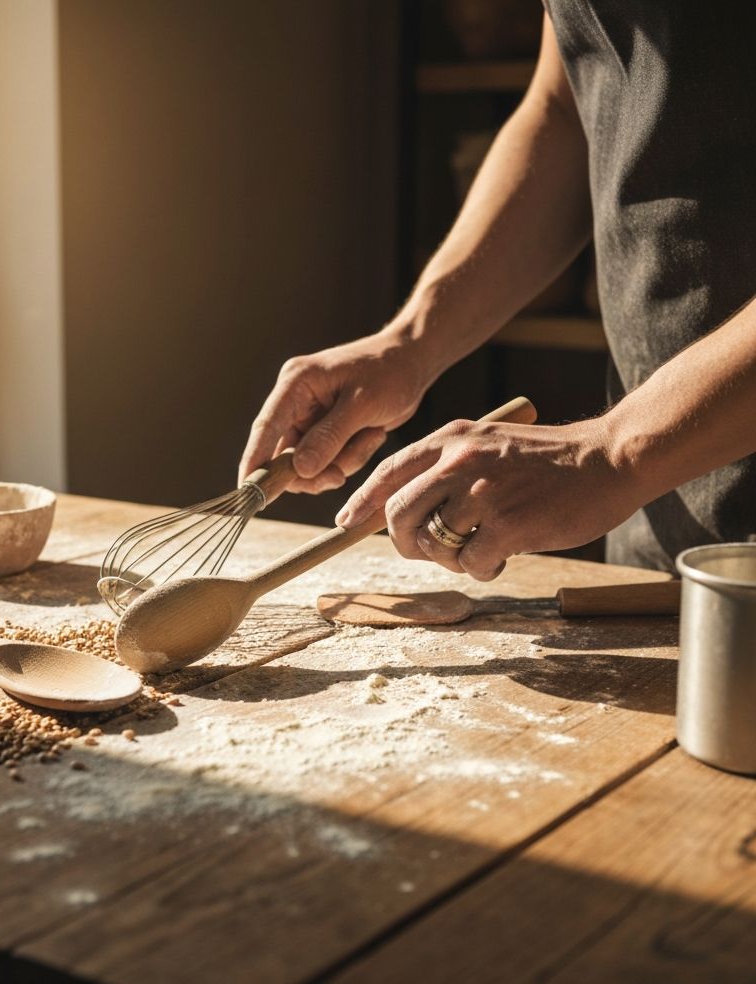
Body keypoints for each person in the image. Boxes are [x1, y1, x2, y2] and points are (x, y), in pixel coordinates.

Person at [238, 4, 756, 581]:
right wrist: (410, 342)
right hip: (664, 507)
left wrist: (611, 452)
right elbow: (563, 109)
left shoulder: (622, 455)